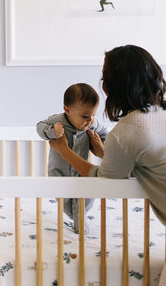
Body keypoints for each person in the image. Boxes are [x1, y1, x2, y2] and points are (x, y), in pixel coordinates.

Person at [49, 45, 166, 286]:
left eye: (104, 78)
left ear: (111, 87)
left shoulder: (129, 130)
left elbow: (104, 180)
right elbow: (148, 162)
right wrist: (103, 151)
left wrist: (63, 151)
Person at [36, 83, 108, 233]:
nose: (90, 120)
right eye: (85, 116)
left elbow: (104, 132)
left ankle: (80, 219)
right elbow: (40, 127)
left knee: (88, 196)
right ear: (67, 110)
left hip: (82, 172)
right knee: (65, 203)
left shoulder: (92, 125)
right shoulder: (58, 121)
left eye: (94, 115)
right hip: (59, 173)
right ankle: (75, 216)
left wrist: (102, 144)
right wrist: (52, 131)